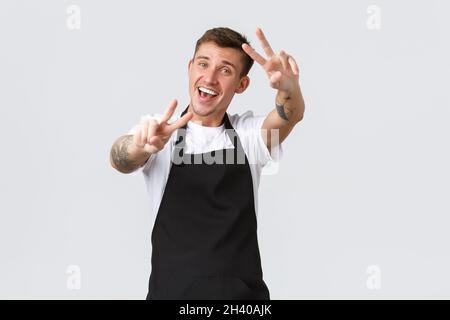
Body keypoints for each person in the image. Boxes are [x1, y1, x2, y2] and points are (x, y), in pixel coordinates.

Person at [109, 27, 305, 300]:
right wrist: (141, 146)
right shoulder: (159, 131)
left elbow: (288, 116)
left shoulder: (250, 136)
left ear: (241, 84)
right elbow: (121, 159)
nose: (210, 78)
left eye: (225, 70)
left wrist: (289, 89)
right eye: (203, 64)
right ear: (190, 67)